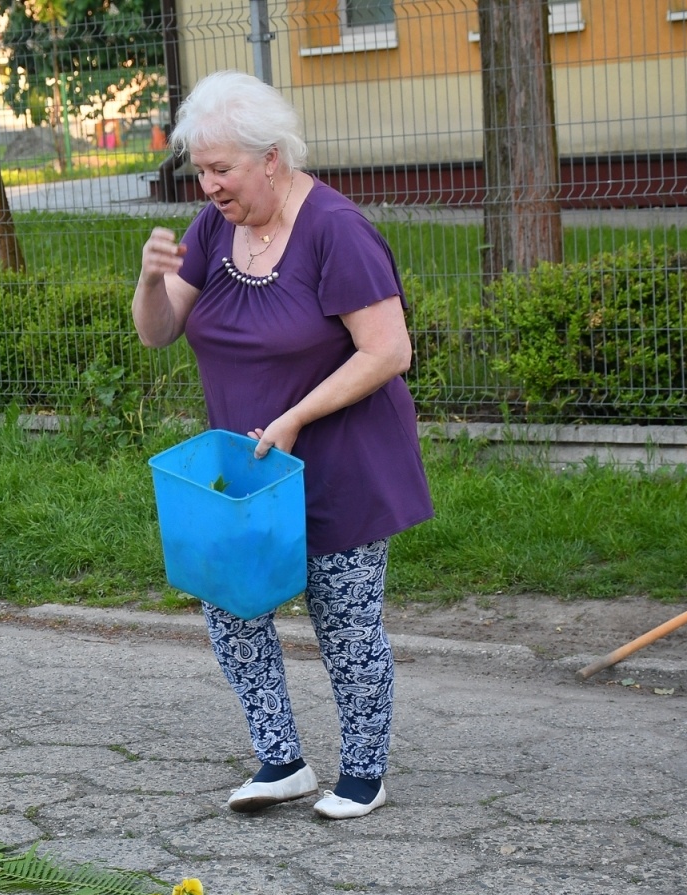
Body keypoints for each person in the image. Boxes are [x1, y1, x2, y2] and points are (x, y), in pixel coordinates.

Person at [132, 70, 434, 820]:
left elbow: (388, 351)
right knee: (231, 607)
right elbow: (159, 330)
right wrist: (148, 280)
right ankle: (282, 761)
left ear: (271, 158)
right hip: (247, 472)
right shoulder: (214, 230)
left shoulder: (336, 229)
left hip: (340, 463)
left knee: (344, 618)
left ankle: (363, 771)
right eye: (200, 170)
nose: (208, 185)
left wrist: (298, 414)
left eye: (222, 169)